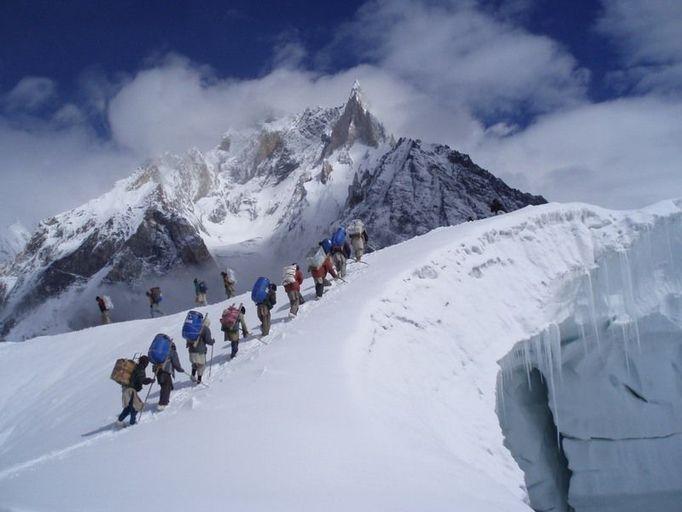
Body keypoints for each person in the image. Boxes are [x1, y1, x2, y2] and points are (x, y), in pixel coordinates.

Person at [116, 355, 154, 427]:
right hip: (130, 390)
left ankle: (121, 421)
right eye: (147, 363)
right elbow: (142, 380)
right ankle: (132, 423)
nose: (147, 364)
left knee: (130, 406)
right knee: (136, 406)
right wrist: (150, 380)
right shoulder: (140, 369)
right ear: (145, 363)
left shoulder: (135, 366)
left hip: (126, 388)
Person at [154, 342, 185, 410]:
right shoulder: (172, 352)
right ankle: (162, 403)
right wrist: (180, 370)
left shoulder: (161, 352)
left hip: (158, 372)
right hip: (165, 372)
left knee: (165, 385)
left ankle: (164, 400)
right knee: (166, 387)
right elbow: (176, 364)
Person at [186, 318, 215, 384]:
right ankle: (199, 380)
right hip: (200, 351)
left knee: (195, 363)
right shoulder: (206, 329)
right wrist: (212, 342)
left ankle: (193, 375)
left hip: (191, 350)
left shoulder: (194, 327)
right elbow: (208, 340)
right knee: (202, 365)